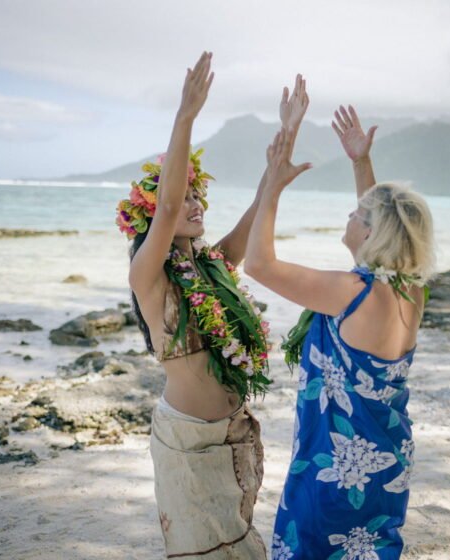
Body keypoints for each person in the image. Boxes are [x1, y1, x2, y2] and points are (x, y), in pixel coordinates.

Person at [122, 51, 309, 558]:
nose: (194, 202)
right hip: (188, 441)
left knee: (240, 546)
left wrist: (279, 158)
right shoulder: (149, 277)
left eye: (198, 195)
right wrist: (185, 117)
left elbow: (252, 219)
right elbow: (166, 206)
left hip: (233, 433)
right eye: (185, 196)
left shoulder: (213, 266)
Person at [244, 105, 435, 559]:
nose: (349, 216)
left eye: (357, 214)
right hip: (385, 453)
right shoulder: (410, 291)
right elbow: (385, 224)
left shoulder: (351, 292)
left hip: (339, 459)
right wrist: (359, 162)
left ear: (370, 232)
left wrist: (272, 185)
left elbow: (258, 265)